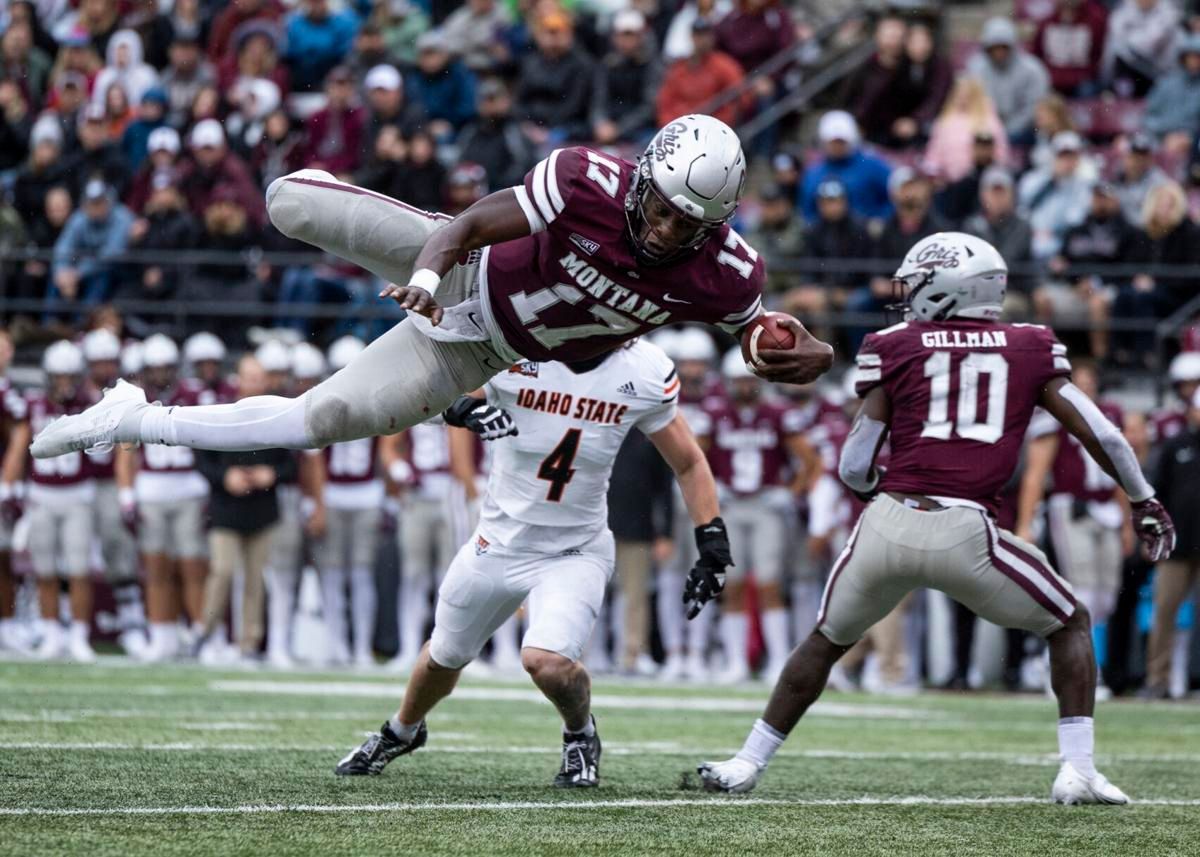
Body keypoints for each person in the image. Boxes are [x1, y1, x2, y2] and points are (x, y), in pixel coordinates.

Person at [32, 115, 831, 468]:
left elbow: (758, 330)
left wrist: (795, 349)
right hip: (458, 265)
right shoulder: (587, 179)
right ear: (645, 178)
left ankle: (131, 417)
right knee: (288, 202)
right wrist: (420, 277)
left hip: (481, 348)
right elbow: (471, 227)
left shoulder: (724, 269)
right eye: (660, 207)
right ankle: (331, 180)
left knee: (319, 422)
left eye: (687, 223)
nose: (664, 230)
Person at [696, 231, 1175, 805]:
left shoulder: (895, 344)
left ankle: (747, 762)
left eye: (916, 284)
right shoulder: (1030, 346)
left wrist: (882, 492)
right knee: (1068, 623)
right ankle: (1078, 770)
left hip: (888, 522)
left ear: (946, 290)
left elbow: (853, 465)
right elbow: (1103, 433)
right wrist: (1143, 499)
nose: (907, 295)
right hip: (966, 533)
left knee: (824, 641)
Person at [334, 338, 728, 788]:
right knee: (443, 656)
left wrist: (711, 536)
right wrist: (461, 409)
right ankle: (402, 730)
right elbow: (426, 396)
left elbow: (689, 461)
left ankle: (580, 735)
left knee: (547, 662)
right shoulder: (514, 344)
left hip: (574, 549)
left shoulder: (643, 368)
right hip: (499, 541)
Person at [1017, 361, 1131, 699]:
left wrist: (1128, 521)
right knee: (1081, 594)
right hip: (1072, 508)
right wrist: (1025, 523)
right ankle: (1062, 669)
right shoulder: (1054, 416)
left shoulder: (1110, 413)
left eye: (1089, 381)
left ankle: (1081, 668)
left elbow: (1123, 470)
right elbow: (1035, 473)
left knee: (1106, 598)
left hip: (1107, 511)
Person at [705, 349, 817, 683]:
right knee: (734, 584)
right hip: (731, 506)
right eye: (738, 380)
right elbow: (691, 459)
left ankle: (779, 658)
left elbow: (811, 462)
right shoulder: (716, 414)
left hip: (766, 505)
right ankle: (736, 661)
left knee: (769, 582)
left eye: (748, 380)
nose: (744, 386)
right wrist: (712, 488)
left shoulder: (778, 413)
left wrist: (791, 491)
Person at [193, 355, 297, 663]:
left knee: (256, 579)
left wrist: (272, 475)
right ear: (237, 379)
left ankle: (248, 643)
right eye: (247, 377)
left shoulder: (278, 412)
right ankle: (206, 633)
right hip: (226, 507)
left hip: (262, 509)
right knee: (222, 572)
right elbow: (201, 457)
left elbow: (292, 462)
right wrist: (224, 477)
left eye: (258, 377)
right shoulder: (221, 411)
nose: (253, 383)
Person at [115, 334, 211, 662]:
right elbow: (125, 451)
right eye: (154, 369)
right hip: (152, 490)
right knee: (156, 568)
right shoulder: (135, 400)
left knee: (193, 566)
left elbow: (209, 444)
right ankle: (162, 635)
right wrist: (127, 495)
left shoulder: (195, 395)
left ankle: (201, 635)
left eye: (165, 368)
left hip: (188, 489)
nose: (159, 375)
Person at [21, 342, 98, 662]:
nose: (65, 383)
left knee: (79, 569)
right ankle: (51, 632)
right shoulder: (33, 404)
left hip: (77, 494)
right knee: (45, 568)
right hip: (41, 493)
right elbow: (18, 446)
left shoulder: (89, 406)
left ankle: (79, 634)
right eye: (59, 376)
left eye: (70, 376)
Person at [81, 328, 146, 656]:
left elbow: (127, 442)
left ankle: (131, 621)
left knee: (119, 549)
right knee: (74, 555)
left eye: (109, 361)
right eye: (98, 362)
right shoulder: (74, 396)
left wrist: (125, 490)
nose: (105, 368)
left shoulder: (122, 394)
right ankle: (69, 624)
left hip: (108, 480)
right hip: (76, 483)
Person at [1143, 387, 1200, 698]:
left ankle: (1193, 681)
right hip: (1177, 546)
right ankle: (1157, 679)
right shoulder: (1174, 446)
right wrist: (1154, 535)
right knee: (1164, 612)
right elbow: (1155, 494)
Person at [798, 110, 892, 223]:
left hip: (870, 232)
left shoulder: (873, 166)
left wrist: (882, 220)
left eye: (841, 141)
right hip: (828, 235)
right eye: (833, 142)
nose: (837, 146)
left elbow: (894, 197)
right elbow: (808, 212)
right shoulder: (813, 174)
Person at [967, 17, 1050, 143]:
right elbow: (973, 102)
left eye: (1003, 47)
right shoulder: (975, 68)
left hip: (1024, 128)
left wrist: (1008, 130)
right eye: (994, 47)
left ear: (1013, 46)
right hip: (986, 125)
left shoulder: (1033, 69)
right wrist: (991, 126)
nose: (999, 52)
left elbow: (1034, 107)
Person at [656, 17, 749, 129]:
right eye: (698, 35)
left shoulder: (724, 66)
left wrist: (717, 124)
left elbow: (741, 98)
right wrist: (672, 126)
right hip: (680, 130)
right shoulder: (679, 68)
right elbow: (665, 102)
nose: (702, 40)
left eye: (706, 35)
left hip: (714, 130)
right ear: (692, 37)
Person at [0, 330, 31, 655]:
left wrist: (8, 483)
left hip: (3, 480)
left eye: (6, 348)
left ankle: (7, 622)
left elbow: (20, 435)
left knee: (4, 557)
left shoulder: (8, 392)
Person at [591, 9, 662, 145]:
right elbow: (598, 100)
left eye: (631, 35)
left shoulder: (651, 66)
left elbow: (649, 107)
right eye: (623, 35)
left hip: (638, 131)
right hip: (607, 128)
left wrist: (619, 129)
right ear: (615, 37)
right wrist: (599, 123)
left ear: (641, 37)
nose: (626, 41)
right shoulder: (607, 64)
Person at [1031, 0, 1108, 97]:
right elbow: (1037, 54)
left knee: (1087, 90)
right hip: (1052, 79)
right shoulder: (1046, 23)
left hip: (1081, 79)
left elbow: (1098, 54)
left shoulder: (1095, 21)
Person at [1143, 34, 1200, 156]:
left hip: (1190, 140)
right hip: (1159, 135)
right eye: (1191, 56)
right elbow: (1149, 114)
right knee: (1125, 145)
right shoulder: (1166, 83)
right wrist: (1162, 133)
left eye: (1198, 57)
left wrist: (1188, 136)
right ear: (1183, 58)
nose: (1195, 61)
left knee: (1176, 146)